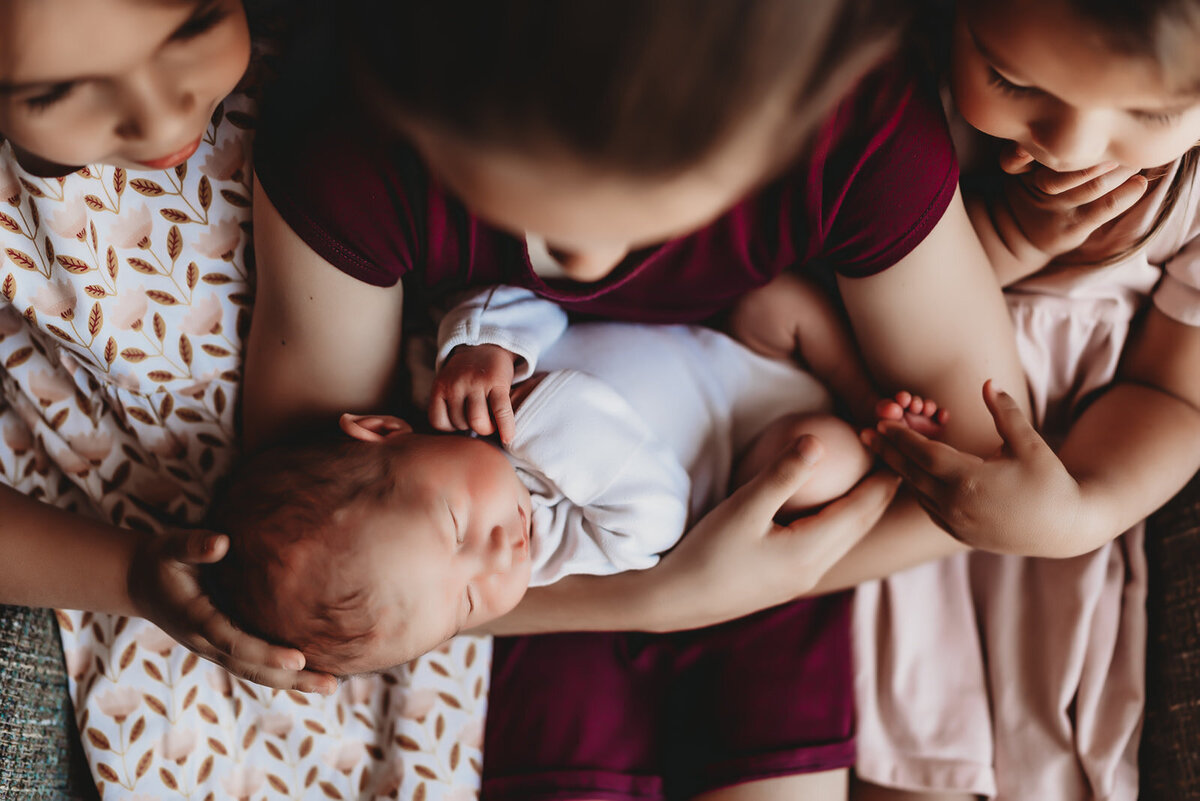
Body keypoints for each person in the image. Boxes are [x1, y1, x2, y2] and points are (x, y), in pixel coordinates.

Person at [244, 2, 1029, 798]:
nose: (583, 263)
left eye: (639, 211)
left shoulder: (852, 129)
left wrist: (736, 585)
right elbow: (339, 550)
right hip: (580, 614)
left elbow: (983, 480)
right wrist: (657, 598)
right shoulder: (352, 148)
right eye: (532, 208)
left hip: (774, 528)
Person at [851, 0, 1200, 797]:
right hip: (880, 465)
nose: (1072, 143)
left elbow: (1173, 394)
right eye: (1010, 79)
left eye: (1152, 111)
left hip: (1054, 514)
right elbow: (846, 283)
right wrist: (1015, 235)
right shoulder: (906, 96)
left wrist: (1083, 511)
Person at [207, 294, 906, 673]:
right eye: (471, 600)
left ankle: (864, 385)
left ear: (387, 432)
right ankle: (879, 428)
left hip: (732, 346)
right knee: (819, 459)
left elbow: (539, 301)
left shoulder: (442, 380)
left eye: (455, 524)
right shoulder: (551, 549)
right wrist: (537, 413)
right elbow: (654, 518)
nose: (500, 553)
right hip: (752, 446)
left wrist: (487, 346)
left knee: (773, 299)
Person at [0, 0, 332, 695]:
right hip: (144, 614)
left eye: (193, 27)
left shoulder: (311, 84)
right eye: (55, 93)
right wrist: (131, 575)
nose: (158, 117)